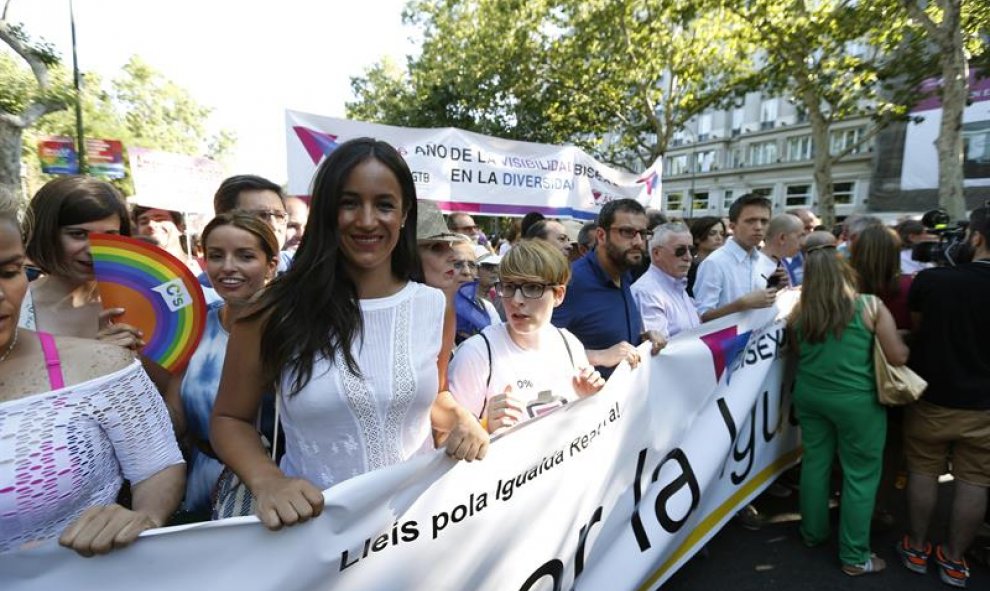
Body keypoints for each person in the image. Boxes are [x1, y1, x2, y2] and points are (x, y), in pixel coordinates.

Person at [210, 138, 488, 531]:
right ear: (326, 210)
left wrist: (462, 418)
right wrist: (269, 480)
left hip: (417, 527)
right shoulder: (271, 309)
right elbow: (228, 418)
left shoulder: (432, 304)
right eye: (349, 202)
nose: (368, 220)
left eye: (385, 205)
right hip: (314, 536)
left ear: (405, 214)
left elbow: (436, 394)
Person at [0, 196, 184, 555]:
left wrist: (143, 518)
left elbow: (159, 463)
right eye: (78, 233)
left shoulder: (103, 364)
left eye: (8, 272)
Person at [788, 231, 909, 576]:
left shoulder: (799, 312)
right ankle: (855, 556)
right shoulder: (870, 305)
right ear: (846, 269)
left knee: (815, 464)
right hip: (858, 402)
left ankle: (813, 533)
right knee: (861, 475)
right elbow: (897, 358)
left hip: (810, 396)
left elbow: (798, 352)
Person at [898, 205, 990, 589]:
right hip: (985, 406)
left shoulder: (934, 281)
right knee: (975, 480)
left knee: (923, 470)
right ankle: (953, 559)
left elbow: (918, 329)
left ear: (976, 237)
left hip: (932, 396)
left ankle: (917, 547)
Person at [164, 212, 279, 514]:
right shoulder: (194, 326)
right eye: (216, 256)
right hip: (200, 486)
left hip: (271, 489)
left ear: (271, 264)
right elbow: (175, 416)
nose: (228, 267)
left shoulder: (292, 331)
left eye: (245, 256)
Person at [448, 239, 605, 433]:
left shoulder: (570, 345)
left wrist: (587, 400)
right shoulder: (477, 354)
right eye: (509, 287)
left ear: (558, 295)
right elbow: (446, 442)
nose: (517, 300)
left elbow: (581, 434)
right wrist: (485, 427)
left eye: (532, 288)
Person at [20, 177, 142, 348]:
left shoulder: (138, 302)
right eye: (78, 234)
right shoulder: (13, 307)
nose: (93, 250)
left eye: (108, 236)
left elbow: (167, 373)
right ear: (45, 233)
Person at [551, 198, 665, 379]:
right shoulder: (572, 281)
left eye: (643, 233)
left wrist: (642, 340)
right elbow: (539, 351)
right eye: (627, 232)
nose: (638, 241)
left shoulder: (625, 273)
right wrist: (597, 357)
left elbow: (610, 340)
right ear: (601, 236)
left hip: (627, 400)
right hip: (585, 403)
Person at [693, 194, 783, 322]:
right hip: (725, 340)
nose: (758, 227)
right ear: (732, 226)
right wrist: (740, 304)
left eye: (764, 221)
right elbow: (702, 316)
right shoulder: (714, 263)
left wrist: (775, 288)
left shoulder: (763, 261)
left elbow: (759, 304)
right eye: (750, 221)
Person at [631, 222, 700, 340]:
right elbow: (660, 350)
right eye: (680, 250)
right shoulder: (647, 292)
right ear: (657, 253)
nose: (688, 257)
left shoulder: (679, 286)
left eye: (692, 251)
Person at [686, 216, 726, 297]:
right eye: (712, 233)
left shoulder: (724, 265)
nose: (719, 238)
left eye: (722, 234)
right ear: (697, 238)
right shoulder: (688, 266)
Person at [762, 213, 806, 286]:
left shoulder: (781, 261)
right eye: (799, 236)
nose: (803, 243)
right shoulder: (758, 267)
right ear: (782, 238)